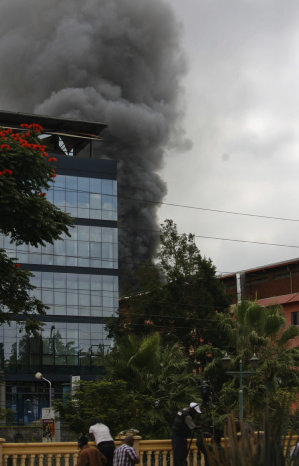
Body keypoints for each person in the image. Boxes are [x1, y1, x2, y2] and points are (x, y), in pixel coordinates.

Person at [172, 402, 202, 466]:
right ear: (192, 409)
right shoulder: (187, 416)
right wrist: (200, 427)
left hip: (174, 435)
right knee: (181, 455)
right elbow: (193, 427)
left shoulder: (181, 410)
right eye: (195, 411)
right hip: (180, 438)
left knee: (176, 454)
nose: (195, 413)